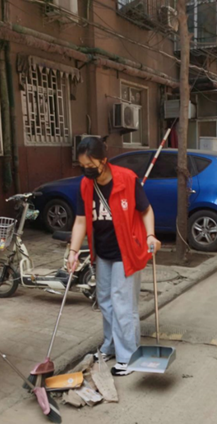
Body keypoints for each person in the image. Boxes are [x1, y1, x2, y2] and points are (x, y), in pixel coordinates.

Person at [67, 137, 161, 376]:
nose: (87, 170)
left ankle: (128, 356)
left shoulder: (127, 179)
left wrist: (150, 235)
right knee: (105, 301)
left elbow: (146, 210)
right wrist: (73, 252)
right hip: (103, 251)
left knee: (122, 304)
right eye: (82, 165)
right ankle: (110, 345)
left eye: (91, 165)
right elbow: (80, 221)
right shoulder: (85, 185)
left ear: (104, 160)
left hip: (127, 251)